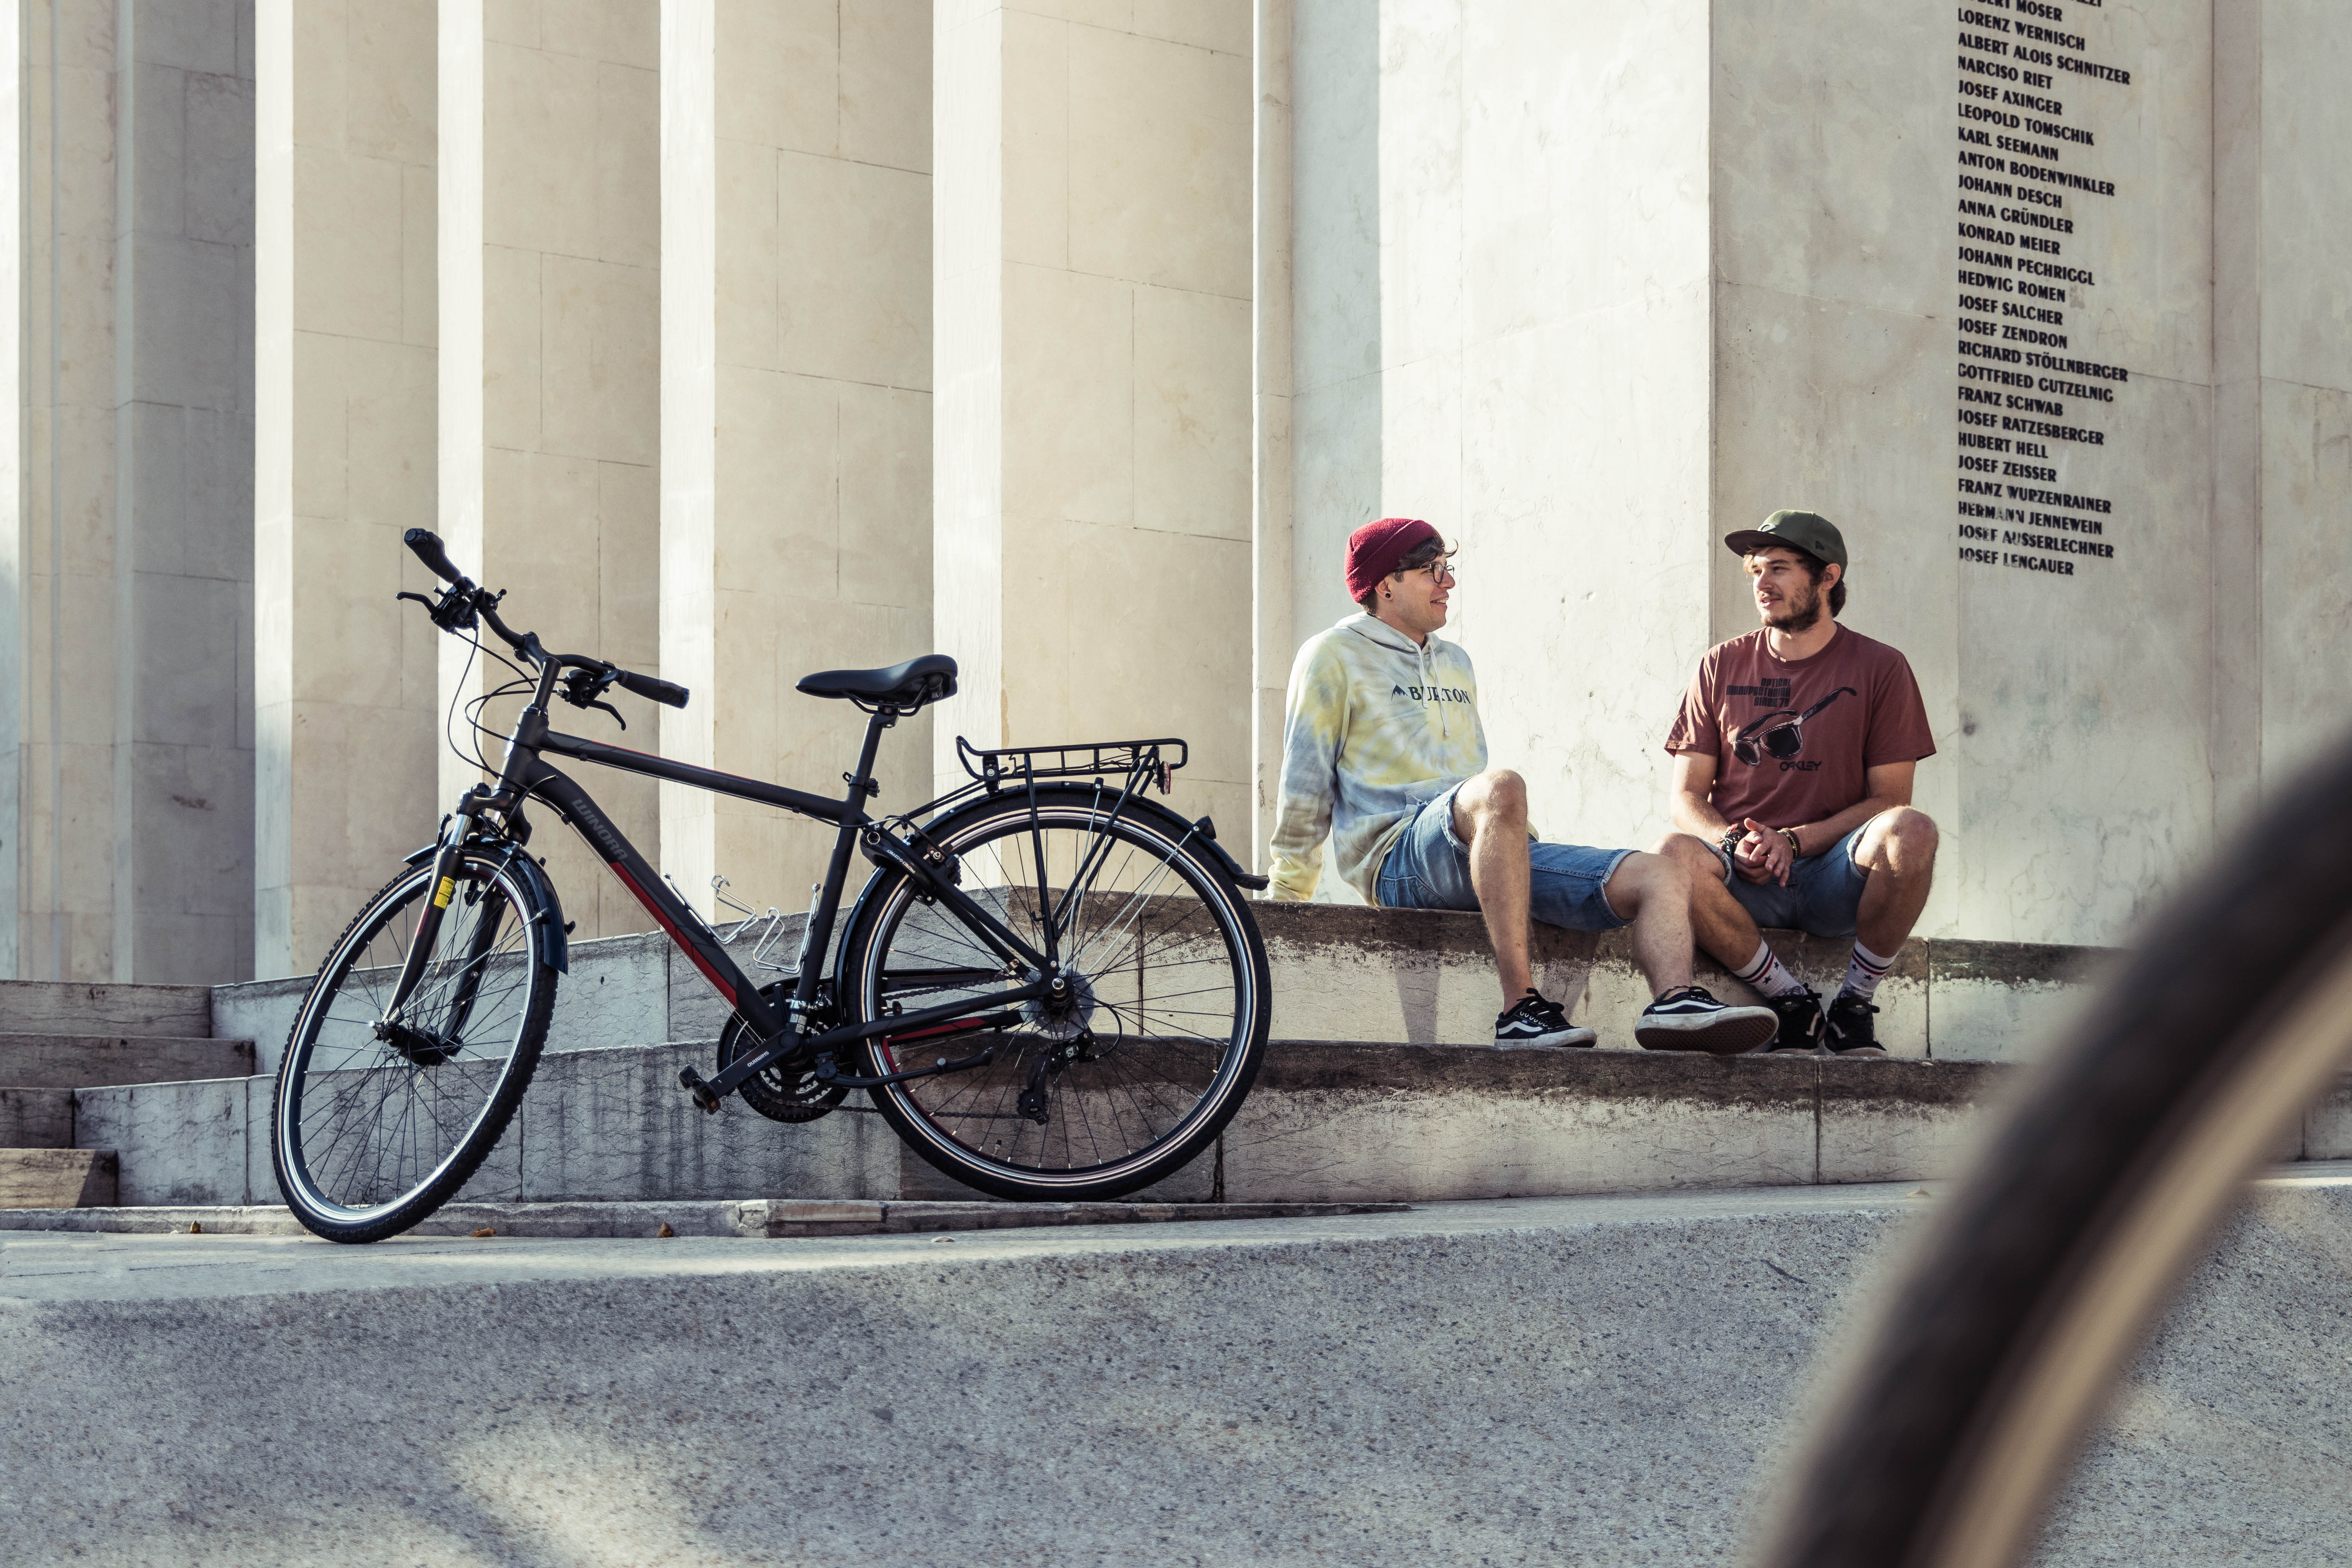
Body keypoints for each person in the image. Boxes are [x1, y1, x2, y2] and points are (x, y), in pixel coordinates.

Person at [1269, 516, 1776, 1054]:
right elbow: (1305, 780)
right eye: (1432, 570)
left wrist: (1511, 843)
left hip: (1479, 848)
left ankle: (1674, 1004)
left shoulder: (1457, 663)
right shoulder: (1331, 655)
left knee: (1660, 871)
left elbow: (1479, 798)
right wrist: (1286, 900)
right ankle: (1520, 1010)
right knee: (1502, 785)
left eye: (1449, 568)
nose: (1449, 583)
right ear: (1384, 584)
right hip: (1397, 861)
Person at [1655, 510, 1940, 1056]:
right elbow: (1686, 797)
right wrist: (1736, 843)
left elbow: (1891, 800)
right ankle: (1790, 1001)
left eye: (1780, 569)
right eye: (1757, 571)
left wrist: (1795, 842)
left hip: (1836, 876)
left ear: (1828, 578)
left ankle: (1854, 1005)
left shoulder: (1882, 668)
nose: (1762, 584)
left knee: (1912, 830)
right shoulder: (1720, 664)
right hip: (1745, 878)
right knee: (1670, 853)